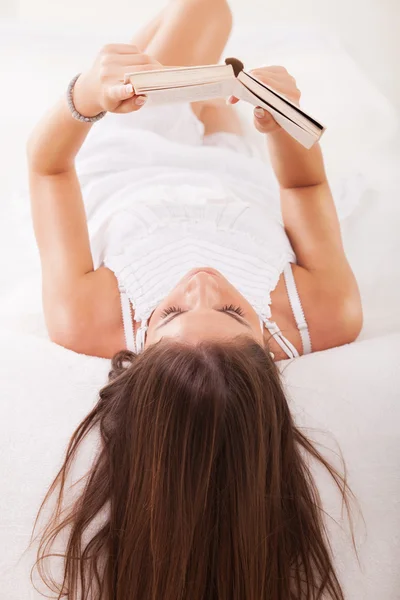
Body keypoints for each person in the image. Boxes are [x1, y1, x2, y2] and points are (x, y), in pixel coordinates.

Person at [26, 0, 361, 598]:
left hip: (135, 161)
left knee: (205, 12)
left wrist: (84, 97)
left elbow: (48, 170)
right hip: (235, 174)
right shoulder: (322, 313)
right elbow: (302, 183)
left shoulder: (89, 318)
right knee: (218, 73)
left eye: (172, 312)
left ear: (136, 360)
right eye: (234, 311)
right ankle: (190, 89)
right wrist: (283, 120)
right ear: (267, 354)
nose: (201, 281)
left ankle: (147, 76)